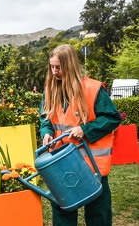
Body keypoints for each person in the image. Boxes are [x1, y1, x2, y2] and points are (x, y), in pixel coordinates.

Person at [39, 44, 121, 226]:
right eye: (51, 67)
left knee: (98, 213)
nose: (54, 72)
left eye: (58, 67)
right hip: (61, 164)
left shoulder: (92, 89)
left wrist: (85, 129)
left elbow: (112, 118)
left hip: (92, 166)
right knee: (62, 212)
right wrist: (46, 132)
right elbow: (45, 119)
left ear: (69, 65)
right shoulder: (49, 91)